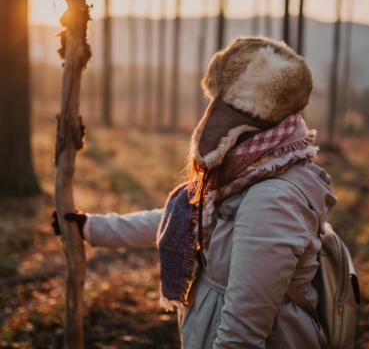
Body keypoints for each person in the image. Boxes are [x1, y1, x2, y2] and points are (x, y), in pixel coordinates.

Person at [53, 36, 336, 349]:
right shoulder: (248, 175)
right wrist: (92, 227)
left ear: (249, 127)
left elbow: (241, 335)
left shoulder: (271, 201)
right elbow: (180, 221)